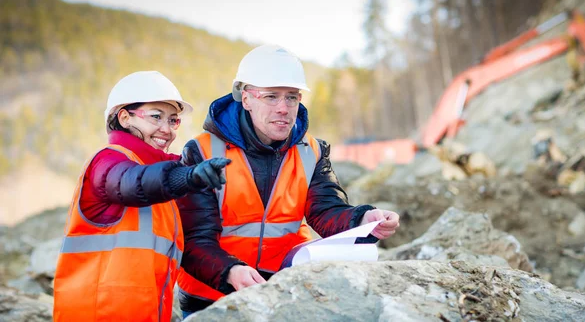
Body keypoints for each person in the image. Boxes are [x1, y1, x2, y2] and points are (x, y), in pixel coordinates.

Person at [176, 45, 400, 317]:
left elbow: (326, 210)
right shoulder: (201, 152)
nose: (283, 108)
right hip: (211, 298)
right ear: (245, 98)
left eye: (292, 97)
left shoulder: (312, 151)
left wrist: (364, 220)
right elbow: (194, 239)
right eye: (271, 97)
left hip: (285, 291)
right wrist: (230, 271)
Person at [53, 71, 230, 322]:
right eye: (156, 117)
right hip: (97, 314)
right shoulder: (107, 160)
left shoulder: (168, 174)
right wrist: (187, 177)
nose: (166, 129)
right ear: (124, 117)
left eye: (173, 120)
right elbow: (131, 182)